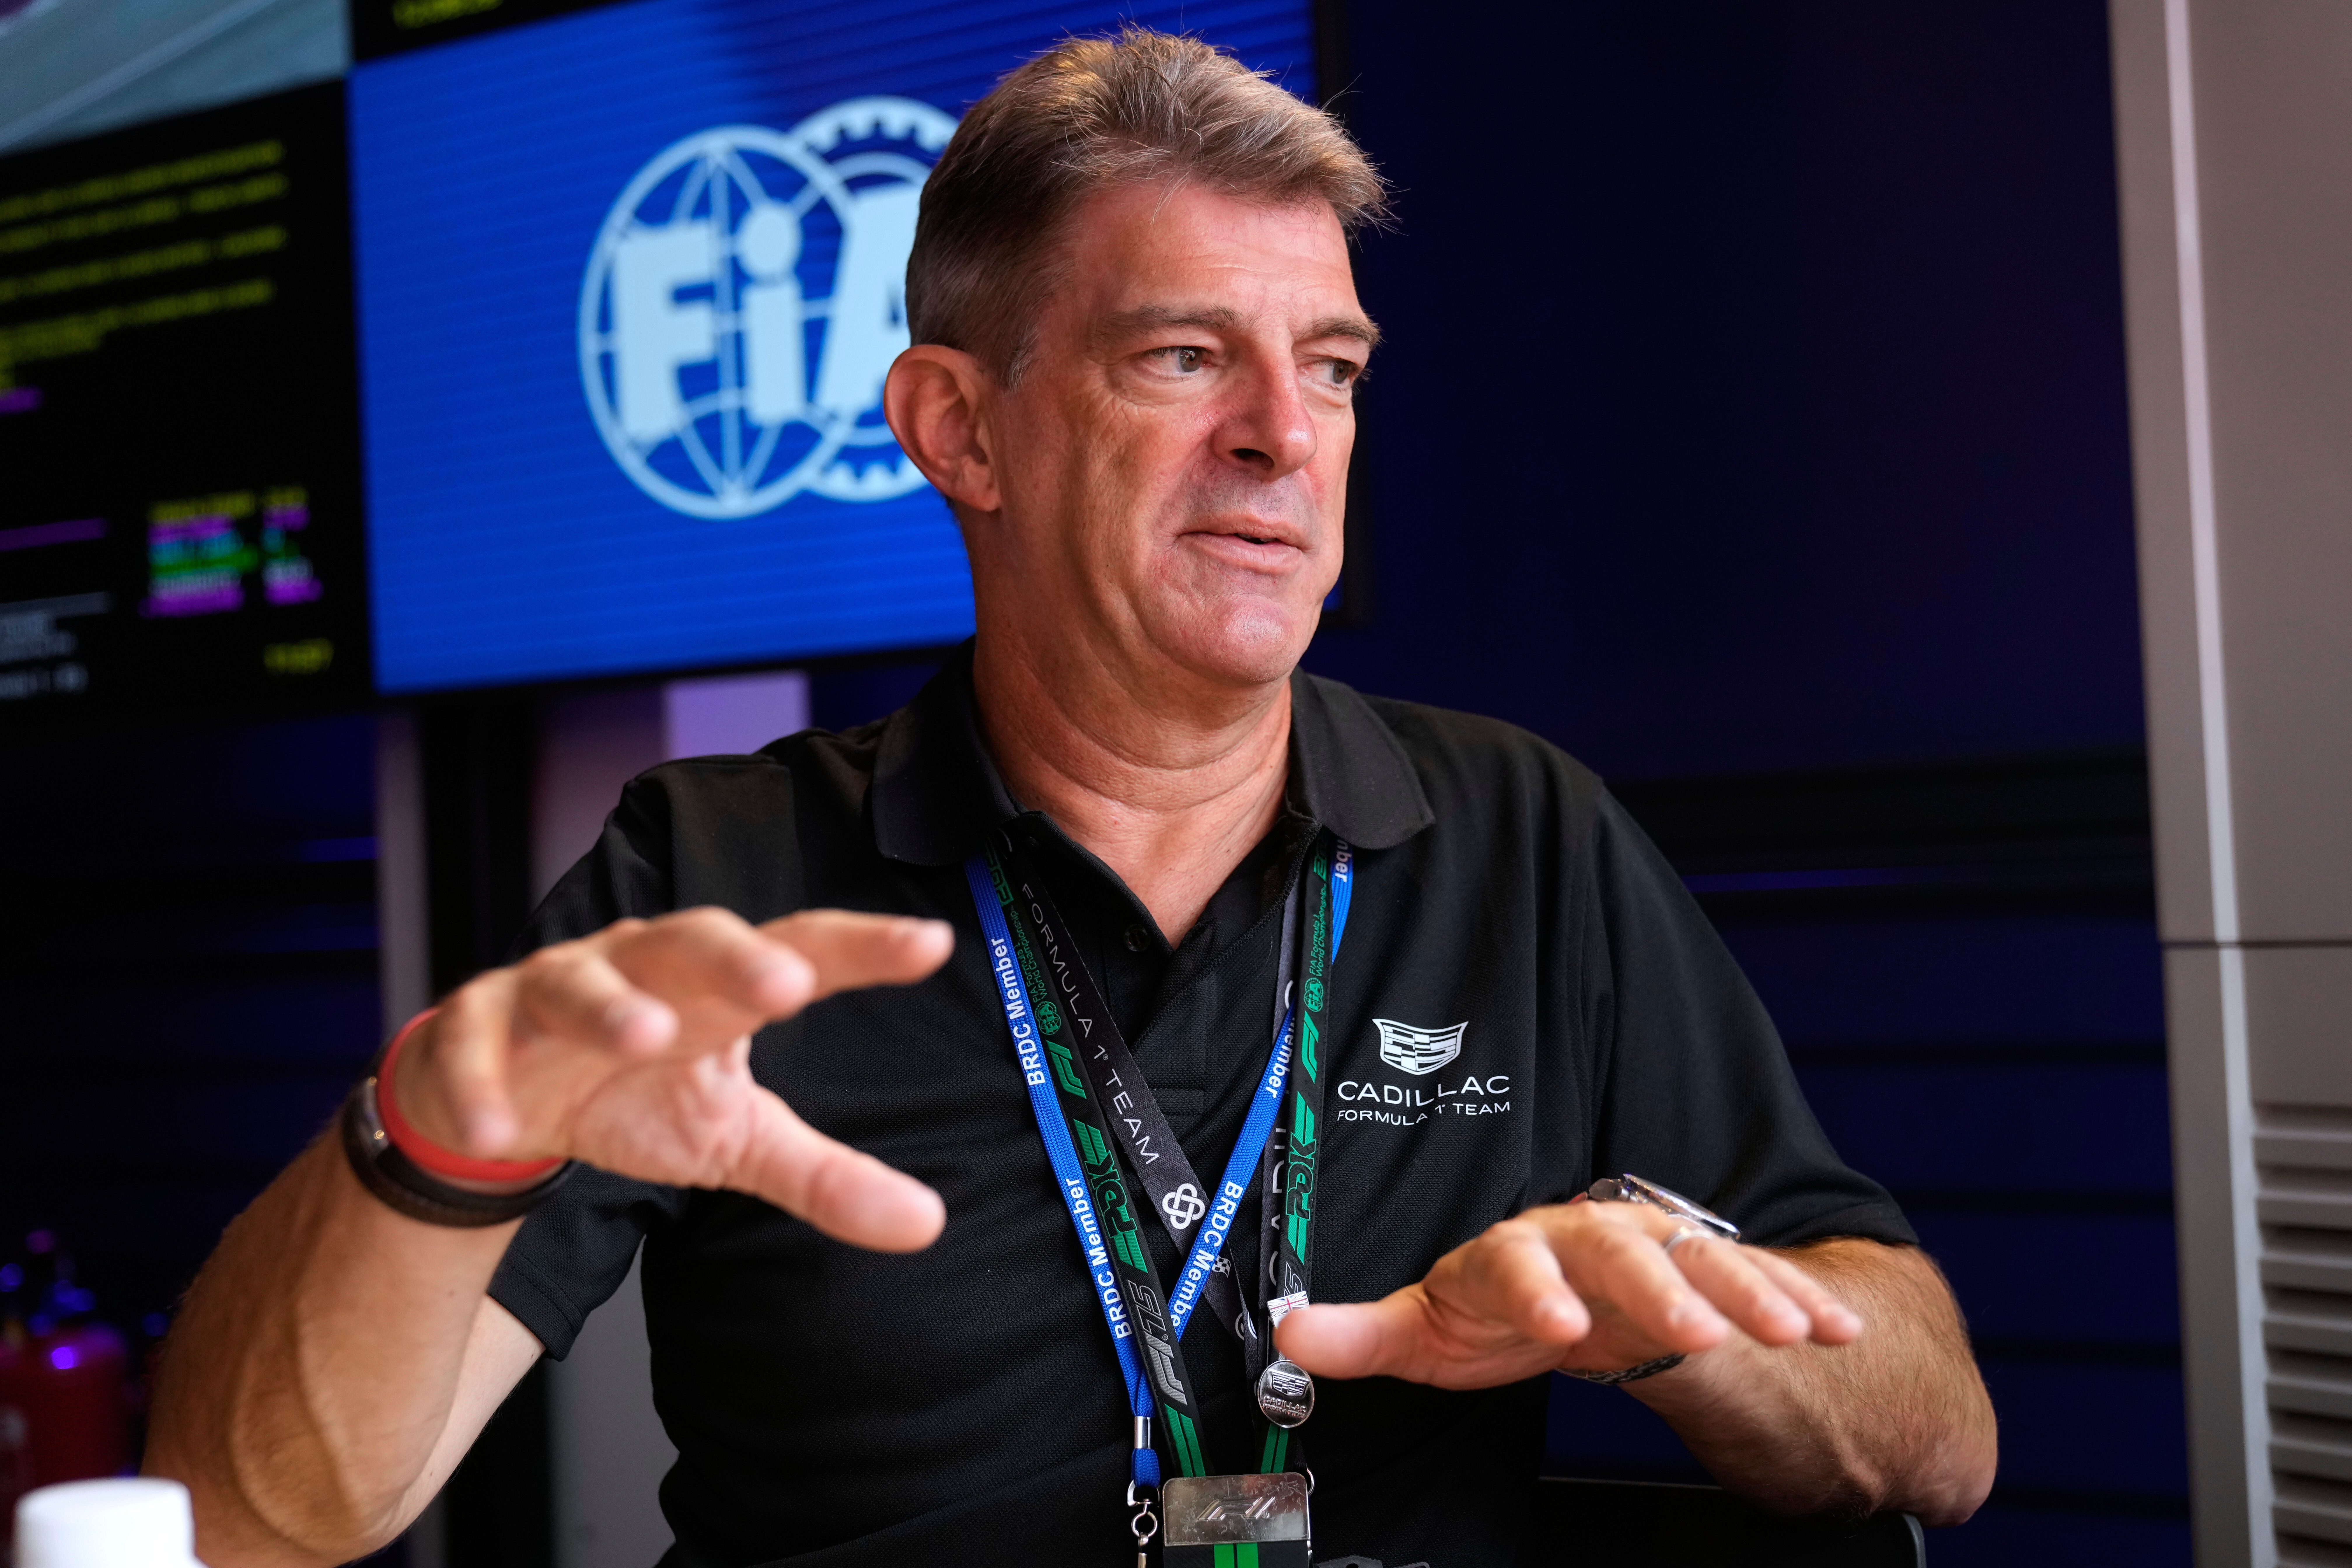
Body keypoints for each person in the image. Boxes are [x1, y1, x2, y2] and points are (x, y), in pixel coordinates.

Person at [145, 29, 1996, 1567]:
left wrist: (1672, 1327)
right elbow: (252, 1520)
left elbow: (1941, 1444)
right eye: (1185, 358)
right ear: (962, 431)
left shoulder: (1521, 832)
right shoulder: (717, 876)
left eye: (1331, 368)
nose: (1284, 431)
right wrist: (431, 1145)